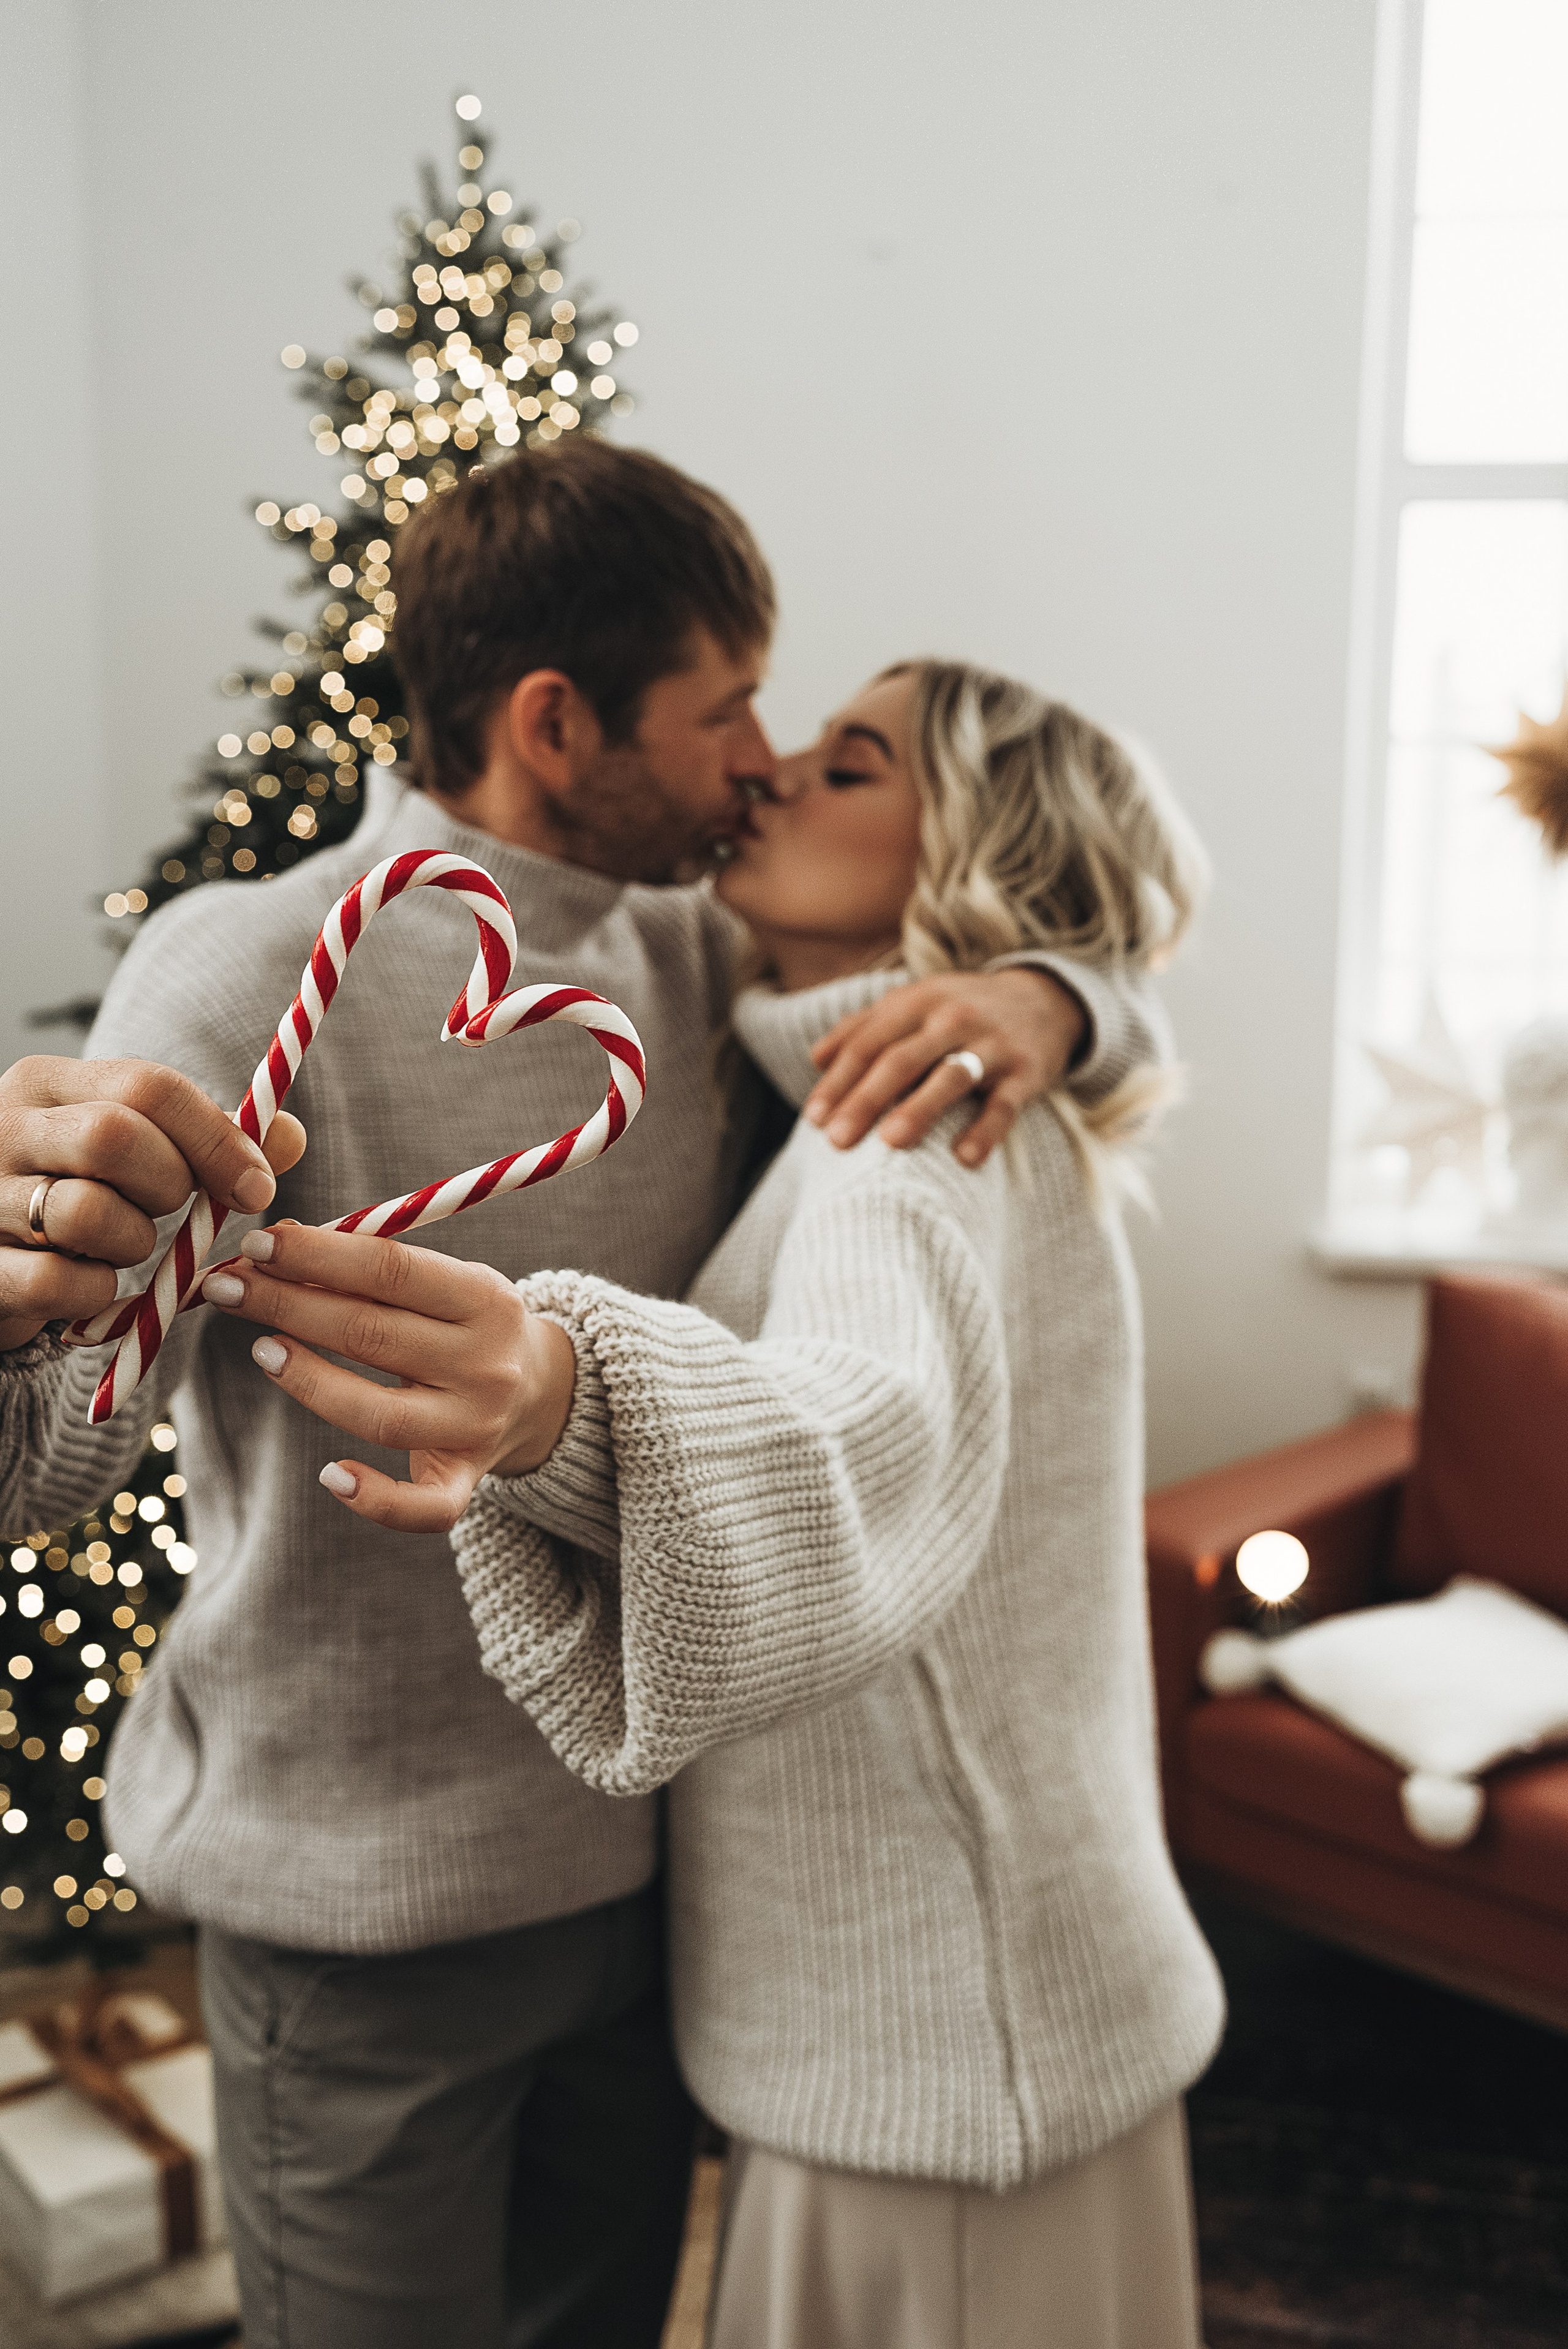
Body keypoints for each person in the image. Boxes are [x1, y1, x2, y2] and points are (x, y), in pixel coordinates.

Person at [0, 447, 1166, 2349]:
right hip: (354, 1920)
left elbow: (1019, 932)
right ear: (558, 723)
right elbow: (45, 1459)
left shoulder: (696, 959)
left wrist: (1060, 996)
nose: (762, 764)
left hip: (641, 1902)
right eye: (728, 713)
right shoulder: (248, 965)